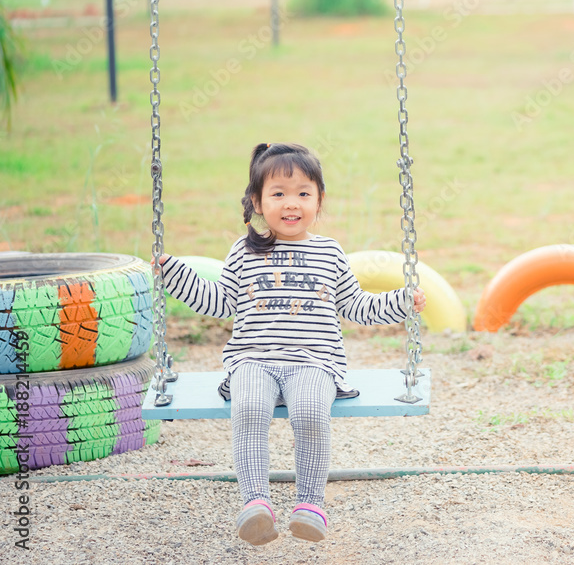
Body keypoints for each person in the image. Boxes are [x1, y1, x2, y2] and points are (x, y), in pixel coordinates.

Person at [155, 142, 426, 545]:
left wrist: (402, 302)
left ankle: (309, 505)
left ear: (319, 200)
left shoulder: (330, 253)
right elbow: (219, 301)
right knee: (248, 409)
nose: (291, 203)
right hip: (253, 359)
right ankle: (256, 503)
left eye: (303, 193)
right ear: (257, 203)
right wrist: (174, 273)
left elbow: (356, 306)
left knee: (311, 413)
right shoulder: (244, 250)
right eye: (278, 193)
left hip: (315, 362)